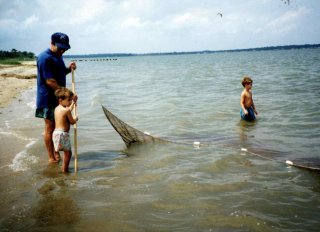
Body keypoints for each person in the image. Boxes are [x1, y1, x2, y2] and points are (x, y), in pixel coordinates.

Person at [35, 32, 77, 163]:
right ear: (52, 43)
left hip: (59, 98)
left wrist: (69, 69)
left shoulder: (58, 56)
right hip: (47, 98)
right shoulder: (44, 58)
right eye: (60, 48)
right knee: (50, 127)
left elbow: (59, 73)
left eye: (65, 48)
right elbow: (50, 81)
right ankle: (51, 157)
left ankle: (56, 150)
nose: (62, 50)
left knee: (59, 127)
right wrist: (68, 95)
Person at [53, 87, 78, 172]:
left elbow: (68, 110)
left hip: (56, 133)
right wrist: (76, 119)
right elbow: (72, 122)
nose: (70, 102)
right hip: (63, 134)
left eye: (71, 100)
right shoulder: (66, 110)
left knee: (61, 150)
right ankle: (65, 170)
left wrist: (73, 103)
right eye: (69, 100)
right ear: (60, 100)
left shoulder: (57, 108)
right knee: (68, 153)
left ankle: (57, 160)